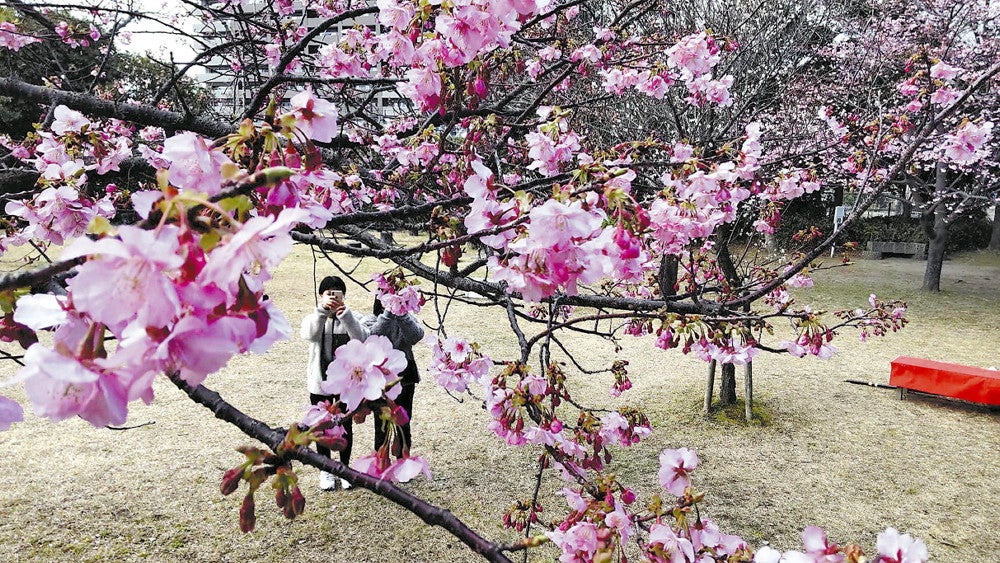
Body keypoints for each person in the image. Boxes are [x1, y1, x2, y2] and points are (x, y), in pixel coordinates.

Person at [300, 276, 368, 491]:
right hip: (320, 384)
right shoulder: (314, 318)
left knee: (345, 426)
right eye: (328, 294)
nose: (333, 298)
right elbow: (309, 335)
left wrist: (345, 316)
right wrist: (321, 312)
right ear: (321, 296)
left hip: (346, 386)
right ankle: (326, 470)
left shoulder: (353, 316)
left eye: (337, 294)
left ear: (343, 296)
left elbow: (362, 338)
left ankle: (345, 469)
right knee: (322, 428)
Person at [365, 298, 424, 457]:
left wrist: (402, 314)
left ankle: (403, 460)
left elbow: (416, 336)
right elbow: (373, 335)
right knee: (381, 421)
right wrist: (389, 312)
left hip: (405, 376)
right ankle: (380, 461)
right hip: (380, 377)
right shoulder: (370, 319)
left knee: (403, 420)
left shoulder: (406, 318)